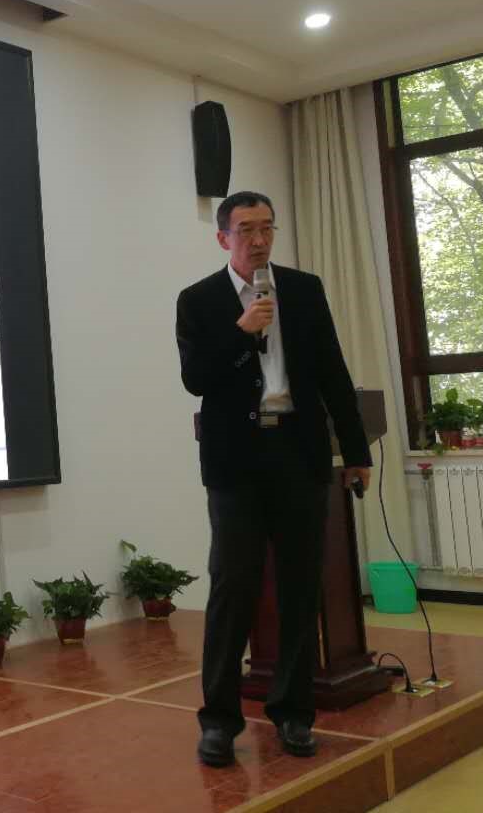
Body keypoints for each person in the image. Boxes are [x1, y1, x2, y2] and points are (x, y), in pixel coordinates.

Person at [175, 191, 372, 768]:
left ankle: (293, 711)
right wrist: (242, 331)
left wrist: (355, 450)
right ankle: (219, 719)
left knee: (299, 587)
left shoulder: (304, 290)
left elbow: (333, 371)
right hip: (236, 463)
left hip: (298, 452)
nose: (259, 240)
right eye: (246, 230)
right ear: (223, 238)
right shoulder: (198, 300)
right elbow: (195, 379)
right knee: (232, 587)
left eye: (267, 228)